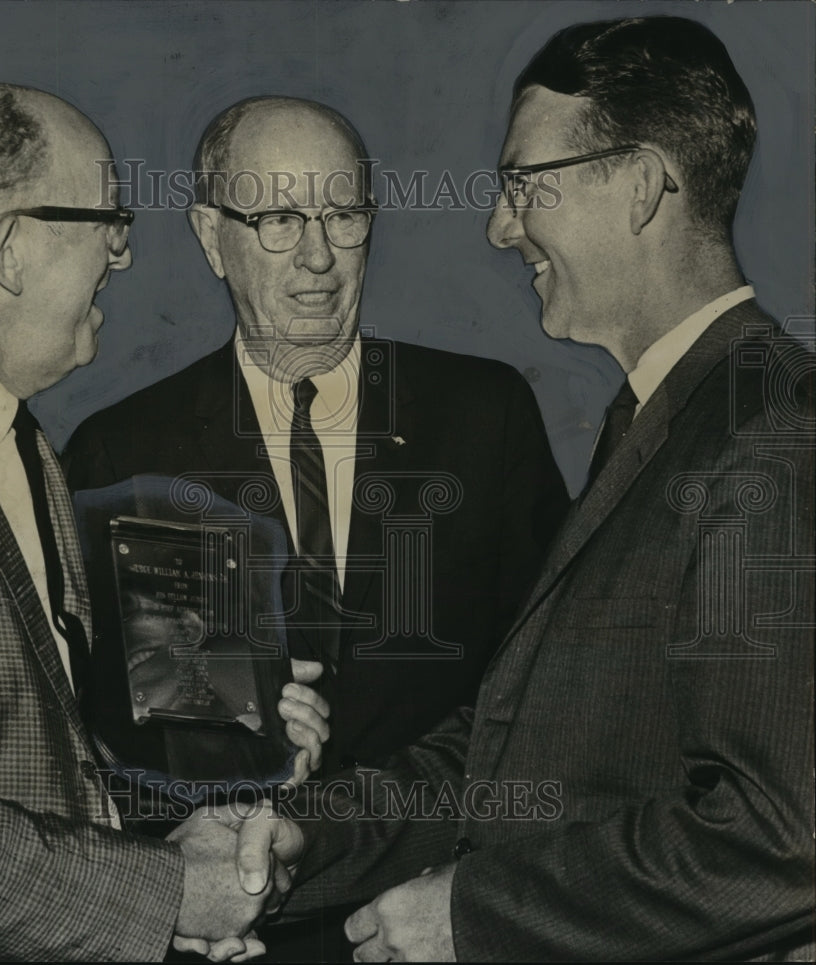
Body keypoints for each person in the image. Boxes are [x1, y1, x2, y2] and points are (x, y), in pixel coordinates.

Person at [189, 16, 815, 963]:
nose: (499, 226)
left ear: (642, 186)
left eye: (525, 187)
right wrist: (307, 834)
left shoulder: (771, 431)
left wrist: (472, 914)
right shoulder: (666, 419)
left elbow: (782, 837)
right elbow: (509, 745)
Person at [0, 82, 321, 961]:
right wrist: (169, 894)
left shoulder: (18, 444)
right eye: (107, 223)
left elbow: (33, 752)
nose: (121, 257)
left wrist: (191, 839)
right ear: (13, 250)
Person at [63, 94, 567, 956]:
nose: (319, 256)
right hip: (238, 927)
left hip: (440, 917)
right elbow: (104, 734)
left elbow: (553, 687)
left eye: (343, 214)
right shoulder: (123, 451)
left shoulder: (486, 413)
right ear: (210, 235)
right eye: (279, 219)